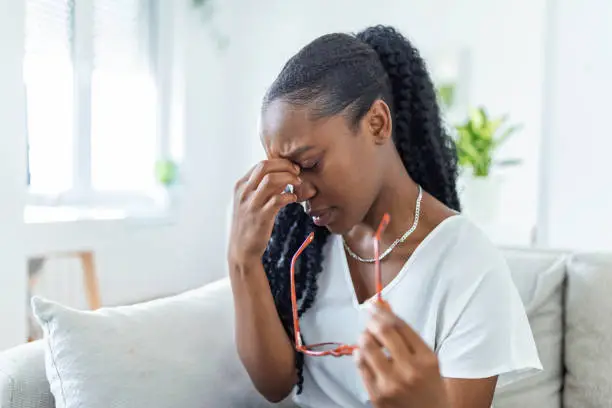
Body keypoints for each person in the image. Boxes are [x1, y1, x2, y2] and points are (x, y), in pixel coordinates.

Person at [227, 25, 541, 408]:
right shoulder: (308, 246)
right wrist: (242, 260)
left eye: (309, 163)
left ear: (377, 123)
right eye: (287, 172)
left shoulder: (467, 265)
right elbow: (275, 385)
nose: (299, 190)